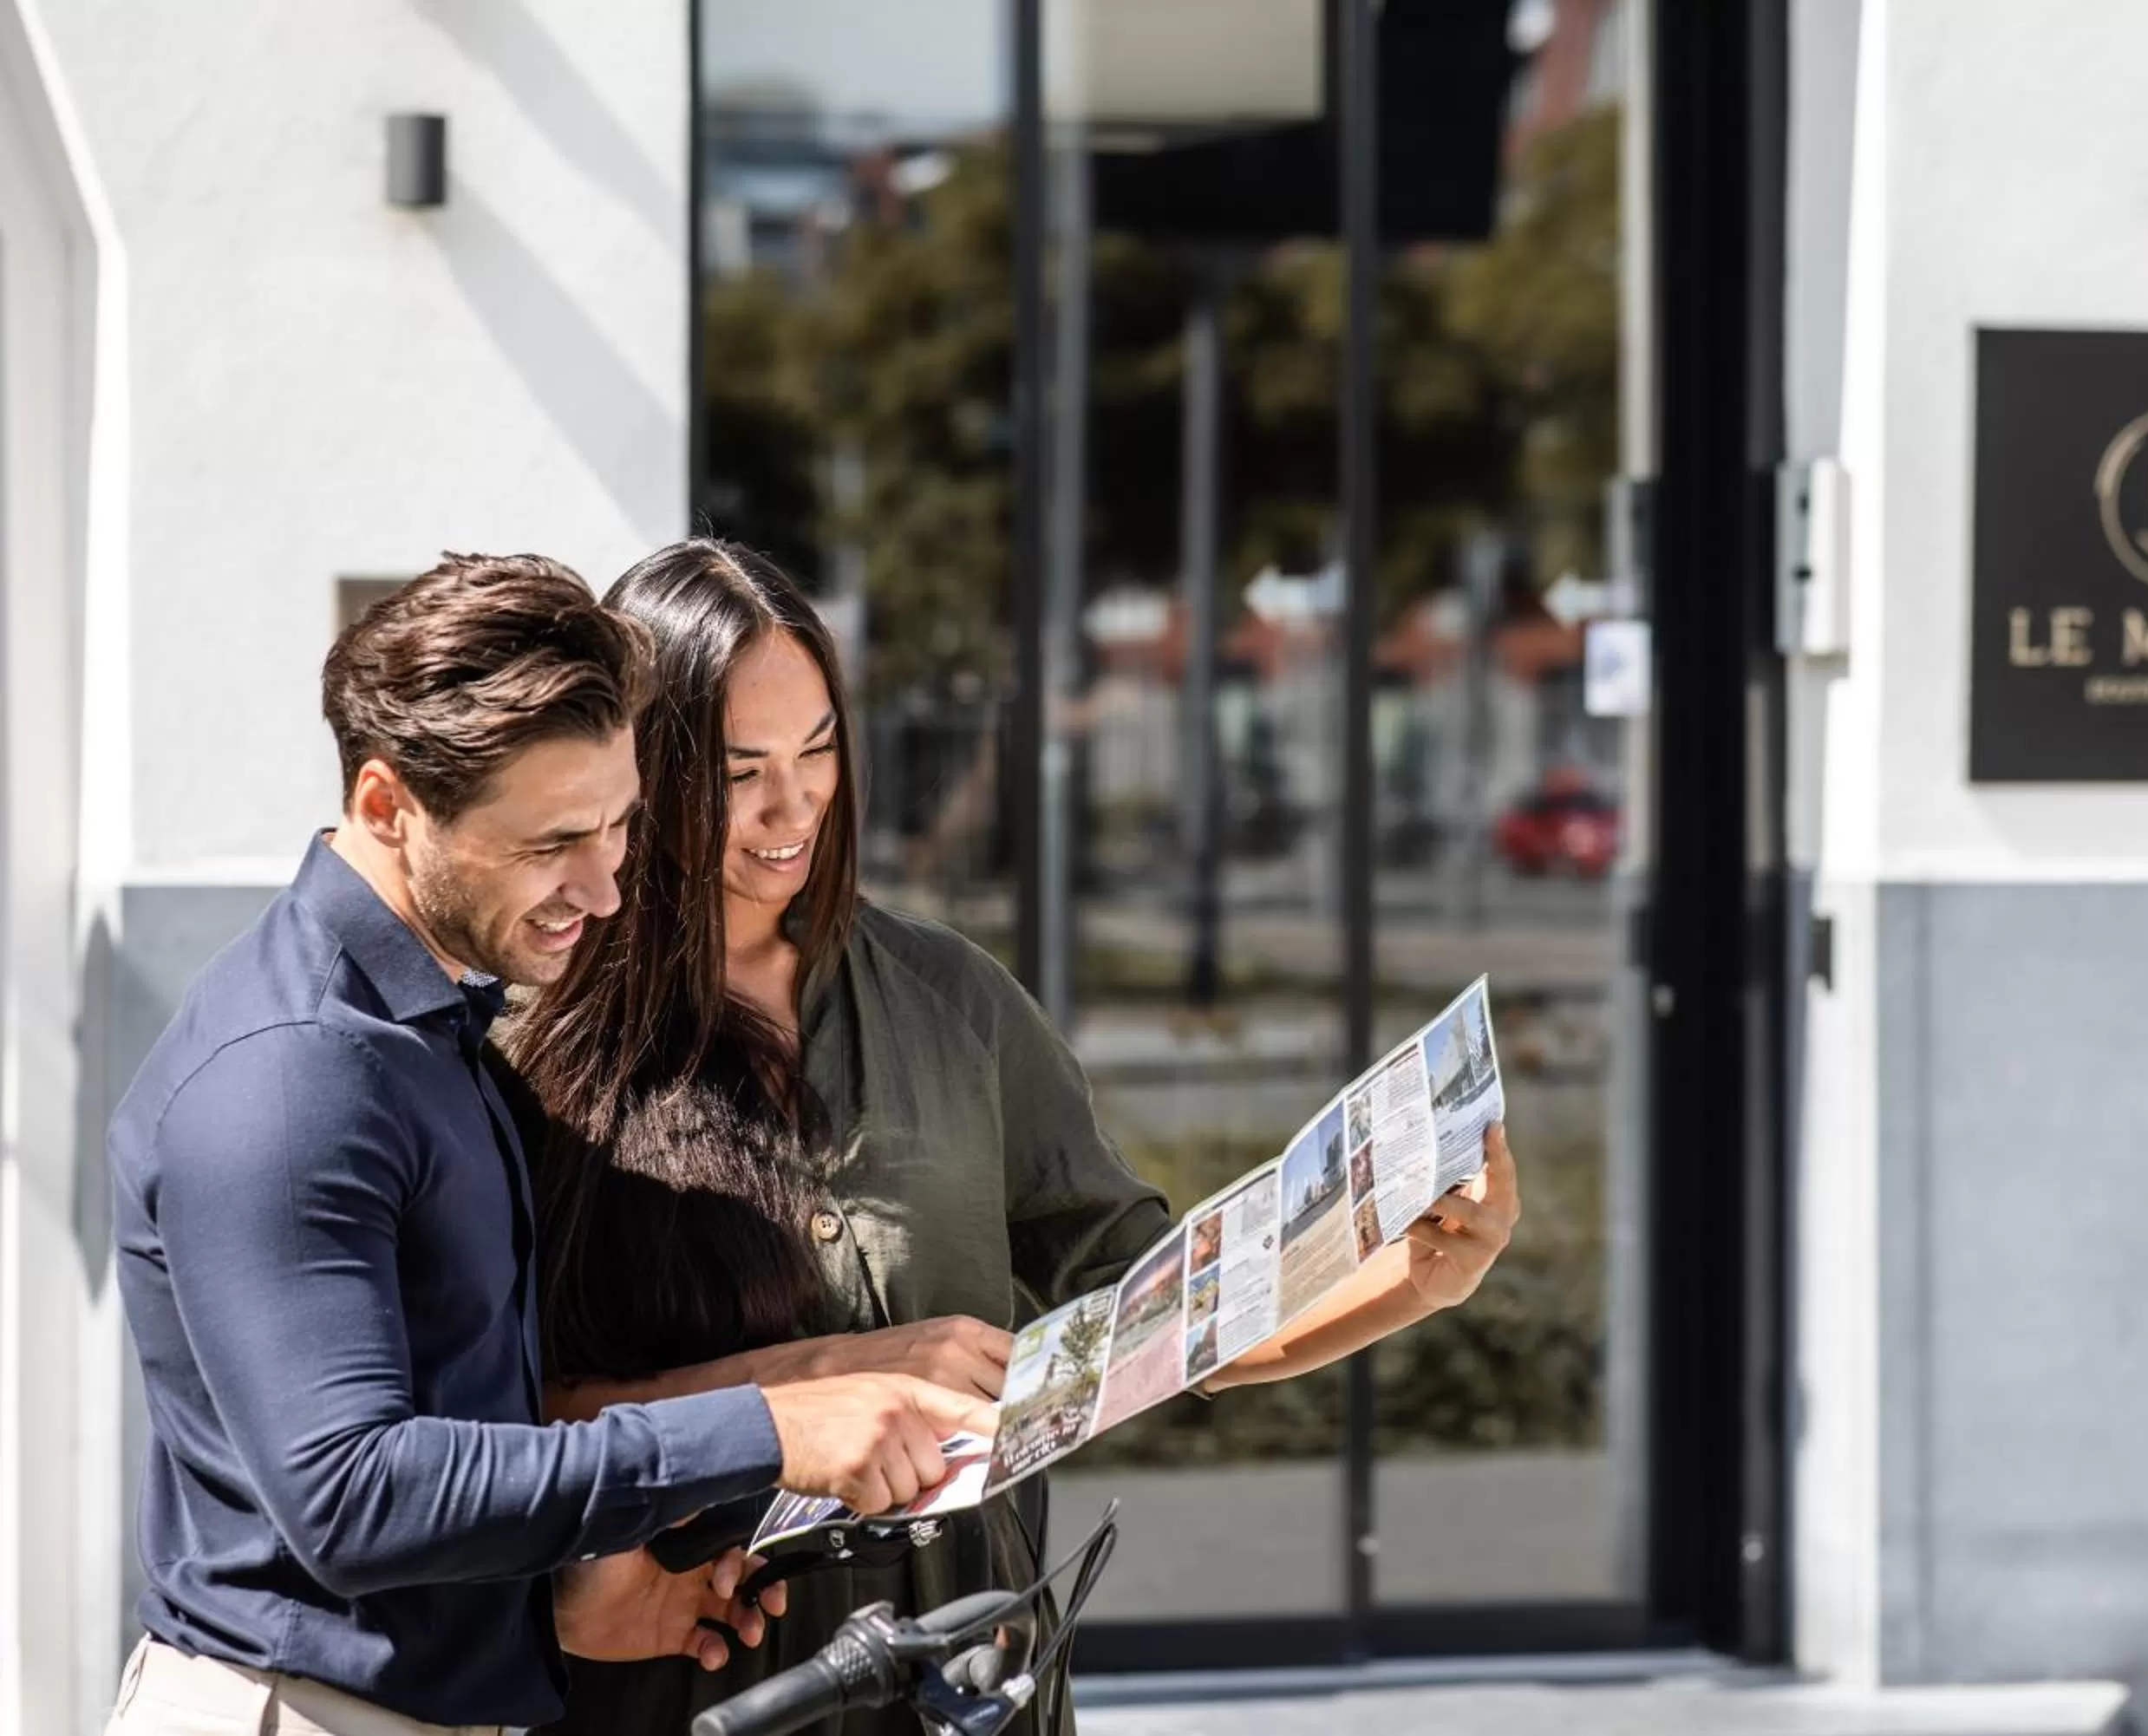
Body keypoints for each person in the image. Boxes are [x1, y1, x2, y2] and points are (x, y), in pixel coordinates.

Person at [503, 538, 1524, 1735]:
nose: (795, 806)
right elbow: (485, 1435)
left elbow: (1158, 1315)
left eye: (819, 750)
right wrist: (825, 1380)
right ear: (643, 772)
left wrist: (1415, 1278)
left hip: (968, 1671)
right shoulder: (534, 1042)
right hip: (702, 1681)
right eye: (741, 772)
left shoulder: (951, 996)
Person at [105, 554, 994, 1736]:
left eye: (620, 826)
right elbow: (349, 1496)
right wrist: (770, 1423)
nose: (608, 888)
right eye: (553, 842)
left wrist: (556, 1605)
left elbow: (449, 1428)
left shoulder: (431, 1023)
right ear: (387, 806)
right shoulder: (292, 1075)